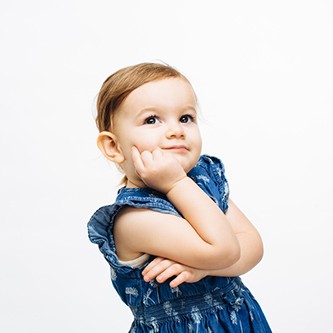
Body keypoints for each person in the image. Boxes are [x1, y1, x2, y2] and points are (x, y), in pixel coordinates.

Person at [88, 62, 272, 332]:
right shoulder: (135, 218)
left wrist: (206, 268)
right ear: (114, 146)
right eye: (152, 120)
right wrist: (175, 183)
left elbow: (252, 247)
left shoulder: (202, 182)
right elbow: (226, 250)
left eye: (185, 118)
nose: (176, 130)